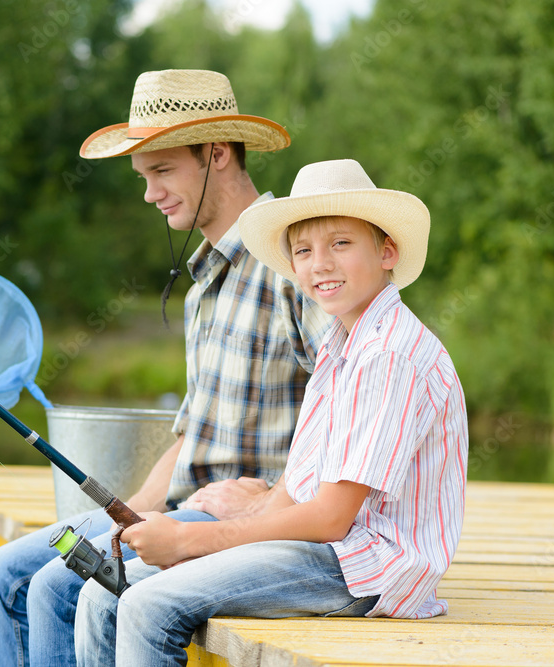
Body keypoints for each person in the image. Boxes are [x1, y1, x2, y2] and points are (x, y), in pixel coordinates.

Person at [0, 69, 334, 667]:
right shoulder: (202, 286)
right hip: (179, 508)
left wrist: (268, 501)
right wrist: (130, 511)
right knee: (7, 571)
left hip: (242, 519)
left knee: (56, 590)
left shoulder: (292, 263)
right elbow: (190, 427)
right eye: (143, 177)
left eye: (163, 171)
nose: (149, 194)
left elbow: (346, 406)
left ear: (218, 154)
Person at [74, 158, 470, 666]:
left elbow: (330, 518)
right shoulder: (339, 344)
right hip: (327, 550)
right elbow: (302, 481)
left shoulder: (388, 353)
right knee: (105, 591)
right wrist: (239, 511)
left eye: (341, 244)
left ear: (387, 250)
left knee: (148, 604)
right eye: (303, 250)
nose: (320, 263)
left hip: (366, 567)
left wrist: (191, 537)